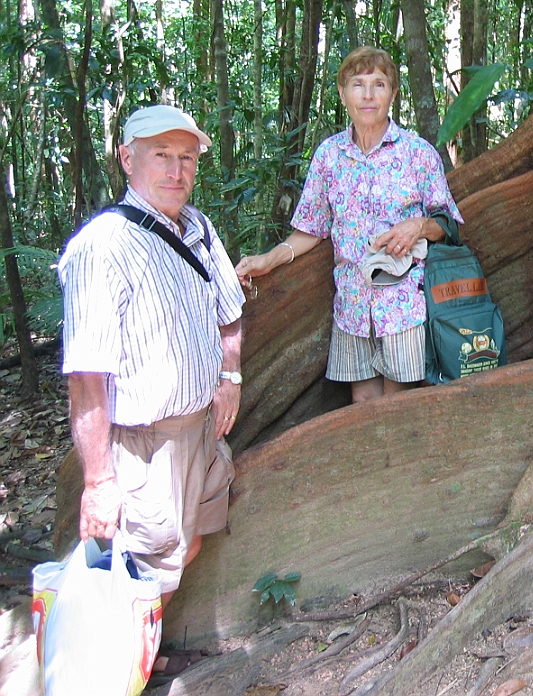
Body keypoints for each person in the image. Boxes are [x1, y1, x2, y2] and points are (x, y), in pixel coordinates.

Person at [58, 105, 245, 624]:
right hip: (141, 446)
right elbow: (86, 377)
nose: (176, 170)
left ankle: (143, 659)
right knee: (138, 571)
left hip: (200, 434)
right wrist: (98, 481)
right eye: (161, 155)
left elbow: (230, 317)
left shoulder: (200, 230)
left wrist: (229, 378)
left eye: (186, 157)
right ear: (127, 159)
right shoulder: (102, 247)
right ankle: (117, 671)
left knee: (185, 550)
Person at [235, 46, 461, 403]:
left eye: (379, 84)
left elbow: (446, 223)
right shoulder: (329, 155)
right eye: (358, 84)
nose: (368, 95)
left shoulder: (417, 153)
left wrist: (417, 225)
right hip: (352, 306)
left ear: (393, 93)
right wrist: (269, 259)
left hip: (404, 306)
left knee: (397, 409)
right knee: (362, 408)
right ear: (343, 94)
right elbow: (311, 228)